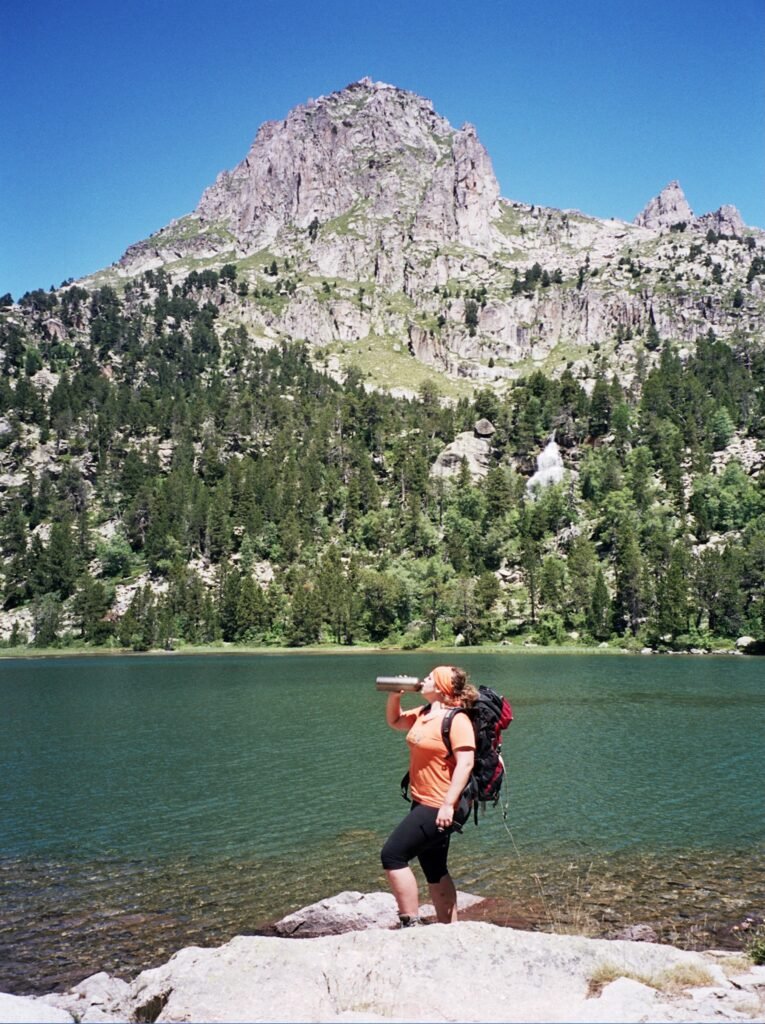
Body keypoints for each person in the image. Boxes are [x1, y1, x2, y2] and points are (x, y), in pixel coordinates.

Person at [380, 665, 477, 927]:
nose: (424, 680)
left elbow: (466, 764)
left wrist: (448, 805)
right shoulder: (424, 713)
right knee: (434, 867)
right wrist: (395, 695)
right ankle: (449, 929)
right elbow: (395, 721)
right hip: (422, 801)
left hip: (440, 805)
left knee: (392, 856)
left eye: (431, 678)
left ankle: (409, 923)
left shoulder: (457, 720)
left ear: (443, 688)